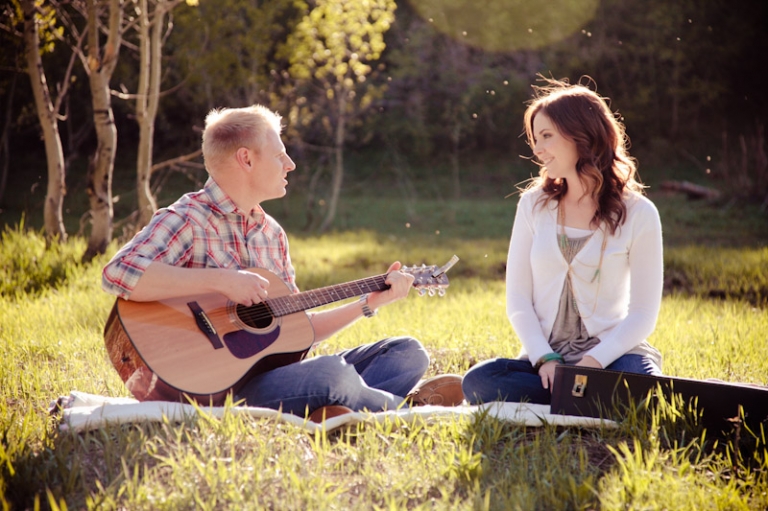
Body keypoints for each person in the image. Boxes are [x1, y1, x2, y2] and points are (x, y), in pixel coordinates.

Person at [102, 104, 462, 421]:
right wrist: (223, 281)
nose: (290, 165)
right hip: (214, 390)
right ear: (246, 159)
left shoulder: (271, 234)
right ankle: (408, 412)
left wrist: (367, 305)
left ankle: (342, 408)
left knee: (406, 353)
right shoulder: (187, 218)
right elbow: (118, 273)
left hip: (273, 378)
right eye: (280, 155)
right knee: (332, 375)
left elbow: (297, 330)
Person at [462, 77, 664, 405]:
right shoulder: (533, 205)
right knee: (480, 382)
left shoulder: (639, 213)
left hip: (610, 358)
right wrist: (545, 358)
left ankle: (572, 398)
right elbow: (517, 300)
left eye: (546, 136)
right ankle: (582, 400)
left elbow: (643, 315)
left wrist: (592, 363)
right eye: (534, 139)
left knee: (641, 385)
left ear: (581, 135)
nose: (537, 149)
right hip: (546, 364)